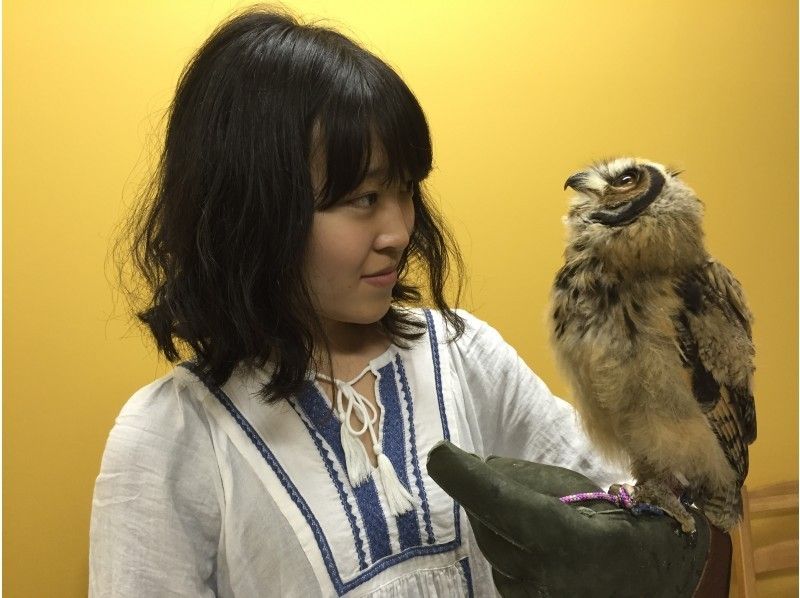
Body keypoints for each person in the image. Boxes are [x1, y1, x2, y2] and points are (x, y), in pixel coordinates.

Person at [90, 7, 625, 597]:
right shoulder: (174, 437)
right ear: (255, 210)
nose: (398, 230)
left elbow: (618, 505)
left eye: (405, 190)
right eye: (364, 198)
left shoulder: (464, 356)